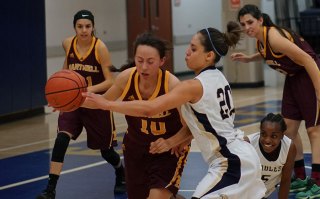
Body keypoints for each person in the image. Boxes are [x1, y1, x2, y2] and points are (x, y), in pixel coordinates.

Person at [83, 22, 267, 199]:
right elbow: (197, 125)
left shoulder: (191, 86)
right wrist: (176, 139)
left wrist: (106, 104)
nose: (187, 52)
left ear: (209, 56)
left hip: (230, 161)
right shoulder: (218, 77)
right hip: (239, 156)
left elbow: (150, 108)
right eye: (189, 46)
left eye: (194, 49)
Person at [230, 4, 320, 198]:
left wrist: (319, 89)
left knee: (314, 130)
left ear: (260, 20)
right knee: (289, 130)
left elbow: (307, 59)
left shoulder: (273, 36)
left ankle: (317, 184)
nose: (247, 27)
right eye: (243, 24)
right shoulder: (260, 41)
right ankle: (300, 178)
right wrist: (248, 59)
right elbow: (267, 54)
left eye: (250, 22)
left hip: (309, 74)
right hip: (294, 78)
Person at [86, 32, 190, 199]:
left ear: (162, 61)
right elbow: (101, 102)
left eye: (150, 62)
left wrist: (172, 141)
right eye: (139, 61)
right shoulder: (126, 78)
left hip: (168, 151)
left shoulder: (172, 85)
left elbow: (191, 127)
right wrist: (71, 102)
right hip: (135, 147)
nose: (143, 67)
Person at [36, 10, 125, 199]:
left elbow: (110, 81)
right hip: (74, 103)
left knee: (106, 151)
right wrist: (59, 96)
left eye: (88, 26)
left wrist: (84, 91)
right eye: (80, 26)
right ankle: (50, 189)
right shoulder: (67, 43)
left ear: (93, 27)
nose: (84, 30)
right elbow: (66, 71)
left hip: (96, 102)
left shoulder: (100, 47)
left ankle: (120, 172)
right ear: (74, 27)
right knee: (61, 140)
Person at [244, 113, 296, 198]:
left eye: (274, 136)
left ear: (282, 135)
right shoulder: (248, 144)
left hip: (263, 194)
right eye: (263, 134)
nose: (267, 140)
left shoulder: (289, 148)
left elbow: (285, 181)